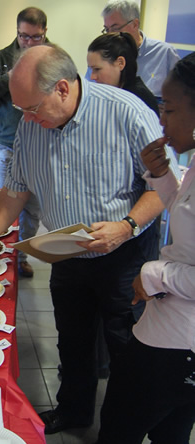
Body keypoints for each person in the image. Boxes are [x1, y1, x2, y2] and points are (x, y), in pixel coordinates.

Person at [0, 44, 178, 435]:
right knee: (72, 341)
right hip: (66, 251)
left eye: (33, 108)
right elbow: (14, 192)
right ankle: (73, 411)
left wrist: (125, 225)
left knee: (125, 346)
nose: (28, 118)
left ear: (62, 89)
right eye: (22, 110)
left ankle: (119, 430)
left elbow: (165, 188)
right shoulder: (31, 124)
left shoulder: (126, 112)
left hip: (124, 254)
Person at [97, 53, 195, 444]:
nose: (161, 120)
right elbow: (185, 214)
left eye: (169, 109)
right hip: (171, 325)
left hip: (177, 342)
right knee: (172, 430)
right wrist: (161, 176)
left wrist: (152, 273)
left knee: (121, 427)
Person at [0, 7, 50, 278]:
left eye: (35, 38)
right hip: (6, 141)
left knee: (33, 209)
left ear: (45, 33)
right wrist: (8, 78)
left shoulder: (54, 58)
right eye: (23, 36)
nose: (28, 43)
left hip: (42, 146)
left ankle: (21, 256)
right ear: (16, 32)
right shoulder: (3, 57)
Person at [101, 0, 180, 101]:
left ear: (135, 24)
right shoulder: (102, 54)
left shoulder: (165, 53)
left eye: (115, 28)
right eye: (107, 29)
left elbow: (183, 97)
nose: (110, 35)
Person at [87, 32, 159, 114]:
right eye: (91, 70)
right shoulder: (113, 93)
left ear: (120, 63)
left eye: (97, 69)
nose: (92, 77)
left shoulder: (137, 99)